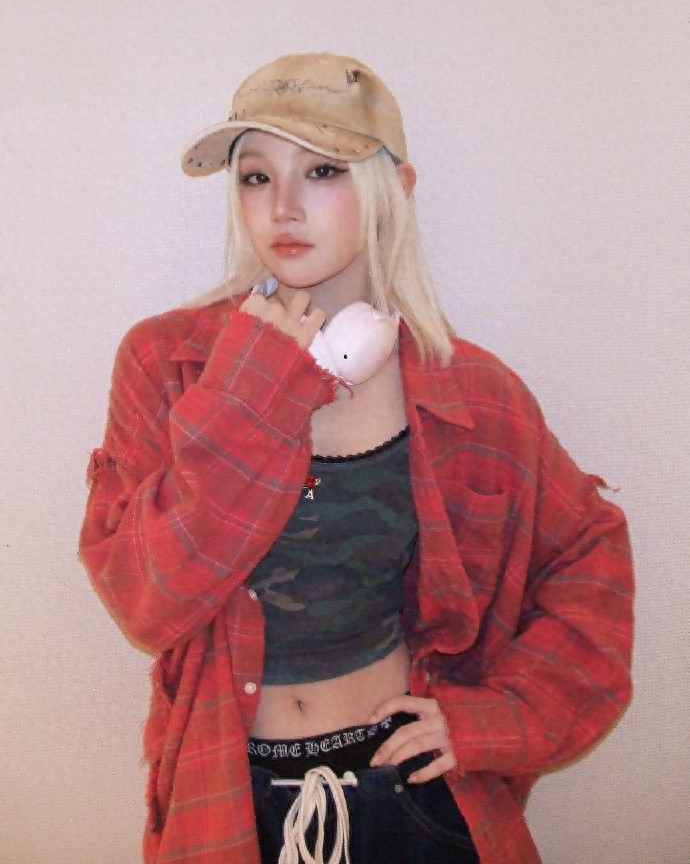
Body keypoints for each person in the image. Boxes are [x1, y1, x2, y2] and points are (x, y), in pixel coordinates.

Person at [79, 52, 634, 864]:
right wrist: (254, 393)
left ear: (391, 190)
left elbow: (589, 557)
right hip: (232, 801)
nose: (284, 206)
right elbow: (147, 600)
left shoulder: (472, 392)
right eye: (256, 177)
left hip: (418, 802)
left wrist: (494, 719)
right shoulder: (171, 364)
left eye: (323, 170)